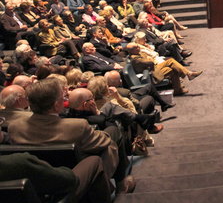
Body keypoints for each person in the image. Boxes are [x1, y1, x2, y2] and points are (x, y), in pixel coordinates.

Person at [8, 77, 136, 194]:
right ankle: (120, 183)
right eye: (62, 97)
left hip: (38, 183)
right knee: (112, 134)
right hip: (73, 178)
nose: (65, 99)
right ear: (56, 105)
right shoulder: (77, 126)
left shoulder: (14, 127)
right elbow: (101, 142)